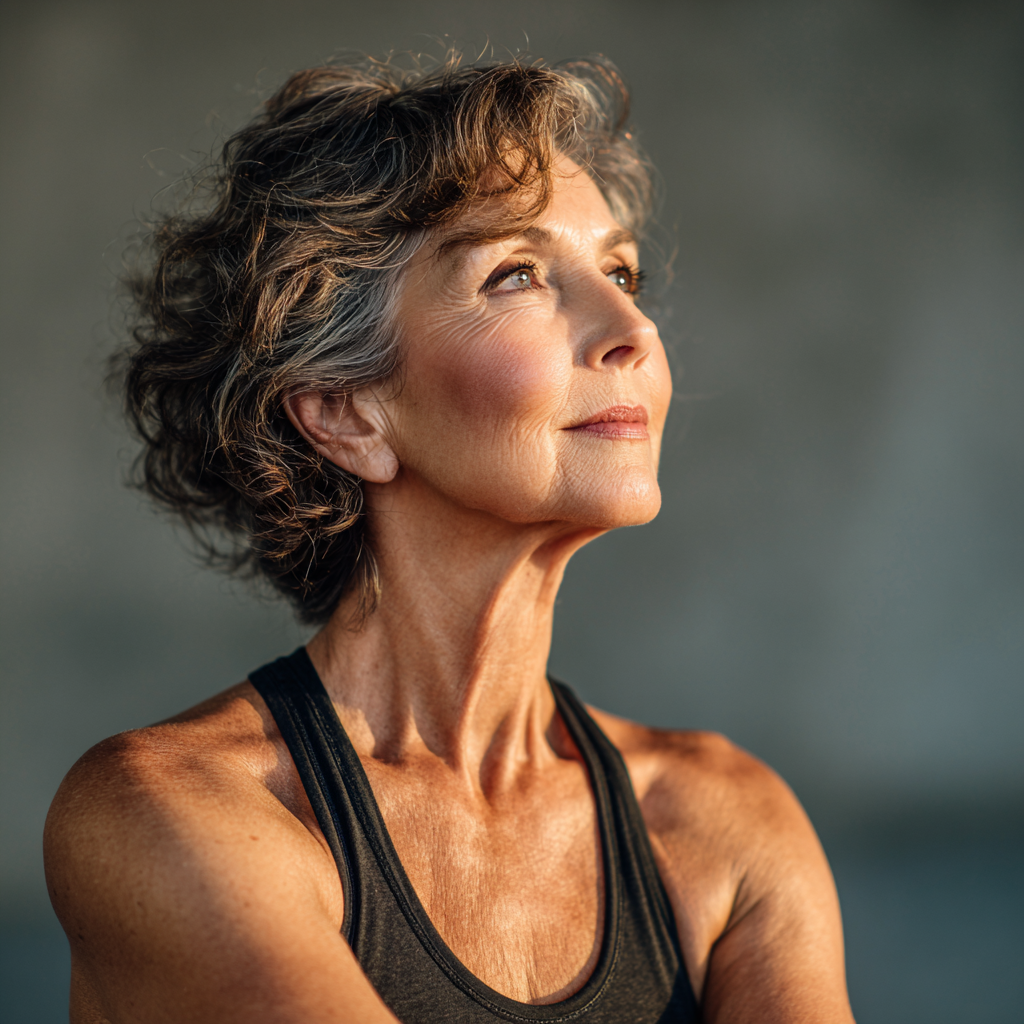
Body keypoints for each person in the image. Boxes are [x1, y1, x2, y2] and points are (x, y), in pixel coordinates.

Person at [43, 53, 855, 1023]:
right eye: (517, 274)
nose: (631, 327)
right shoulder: (166, 811)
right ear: (345, 412)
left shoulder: (723, 820)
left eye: (620, 270)